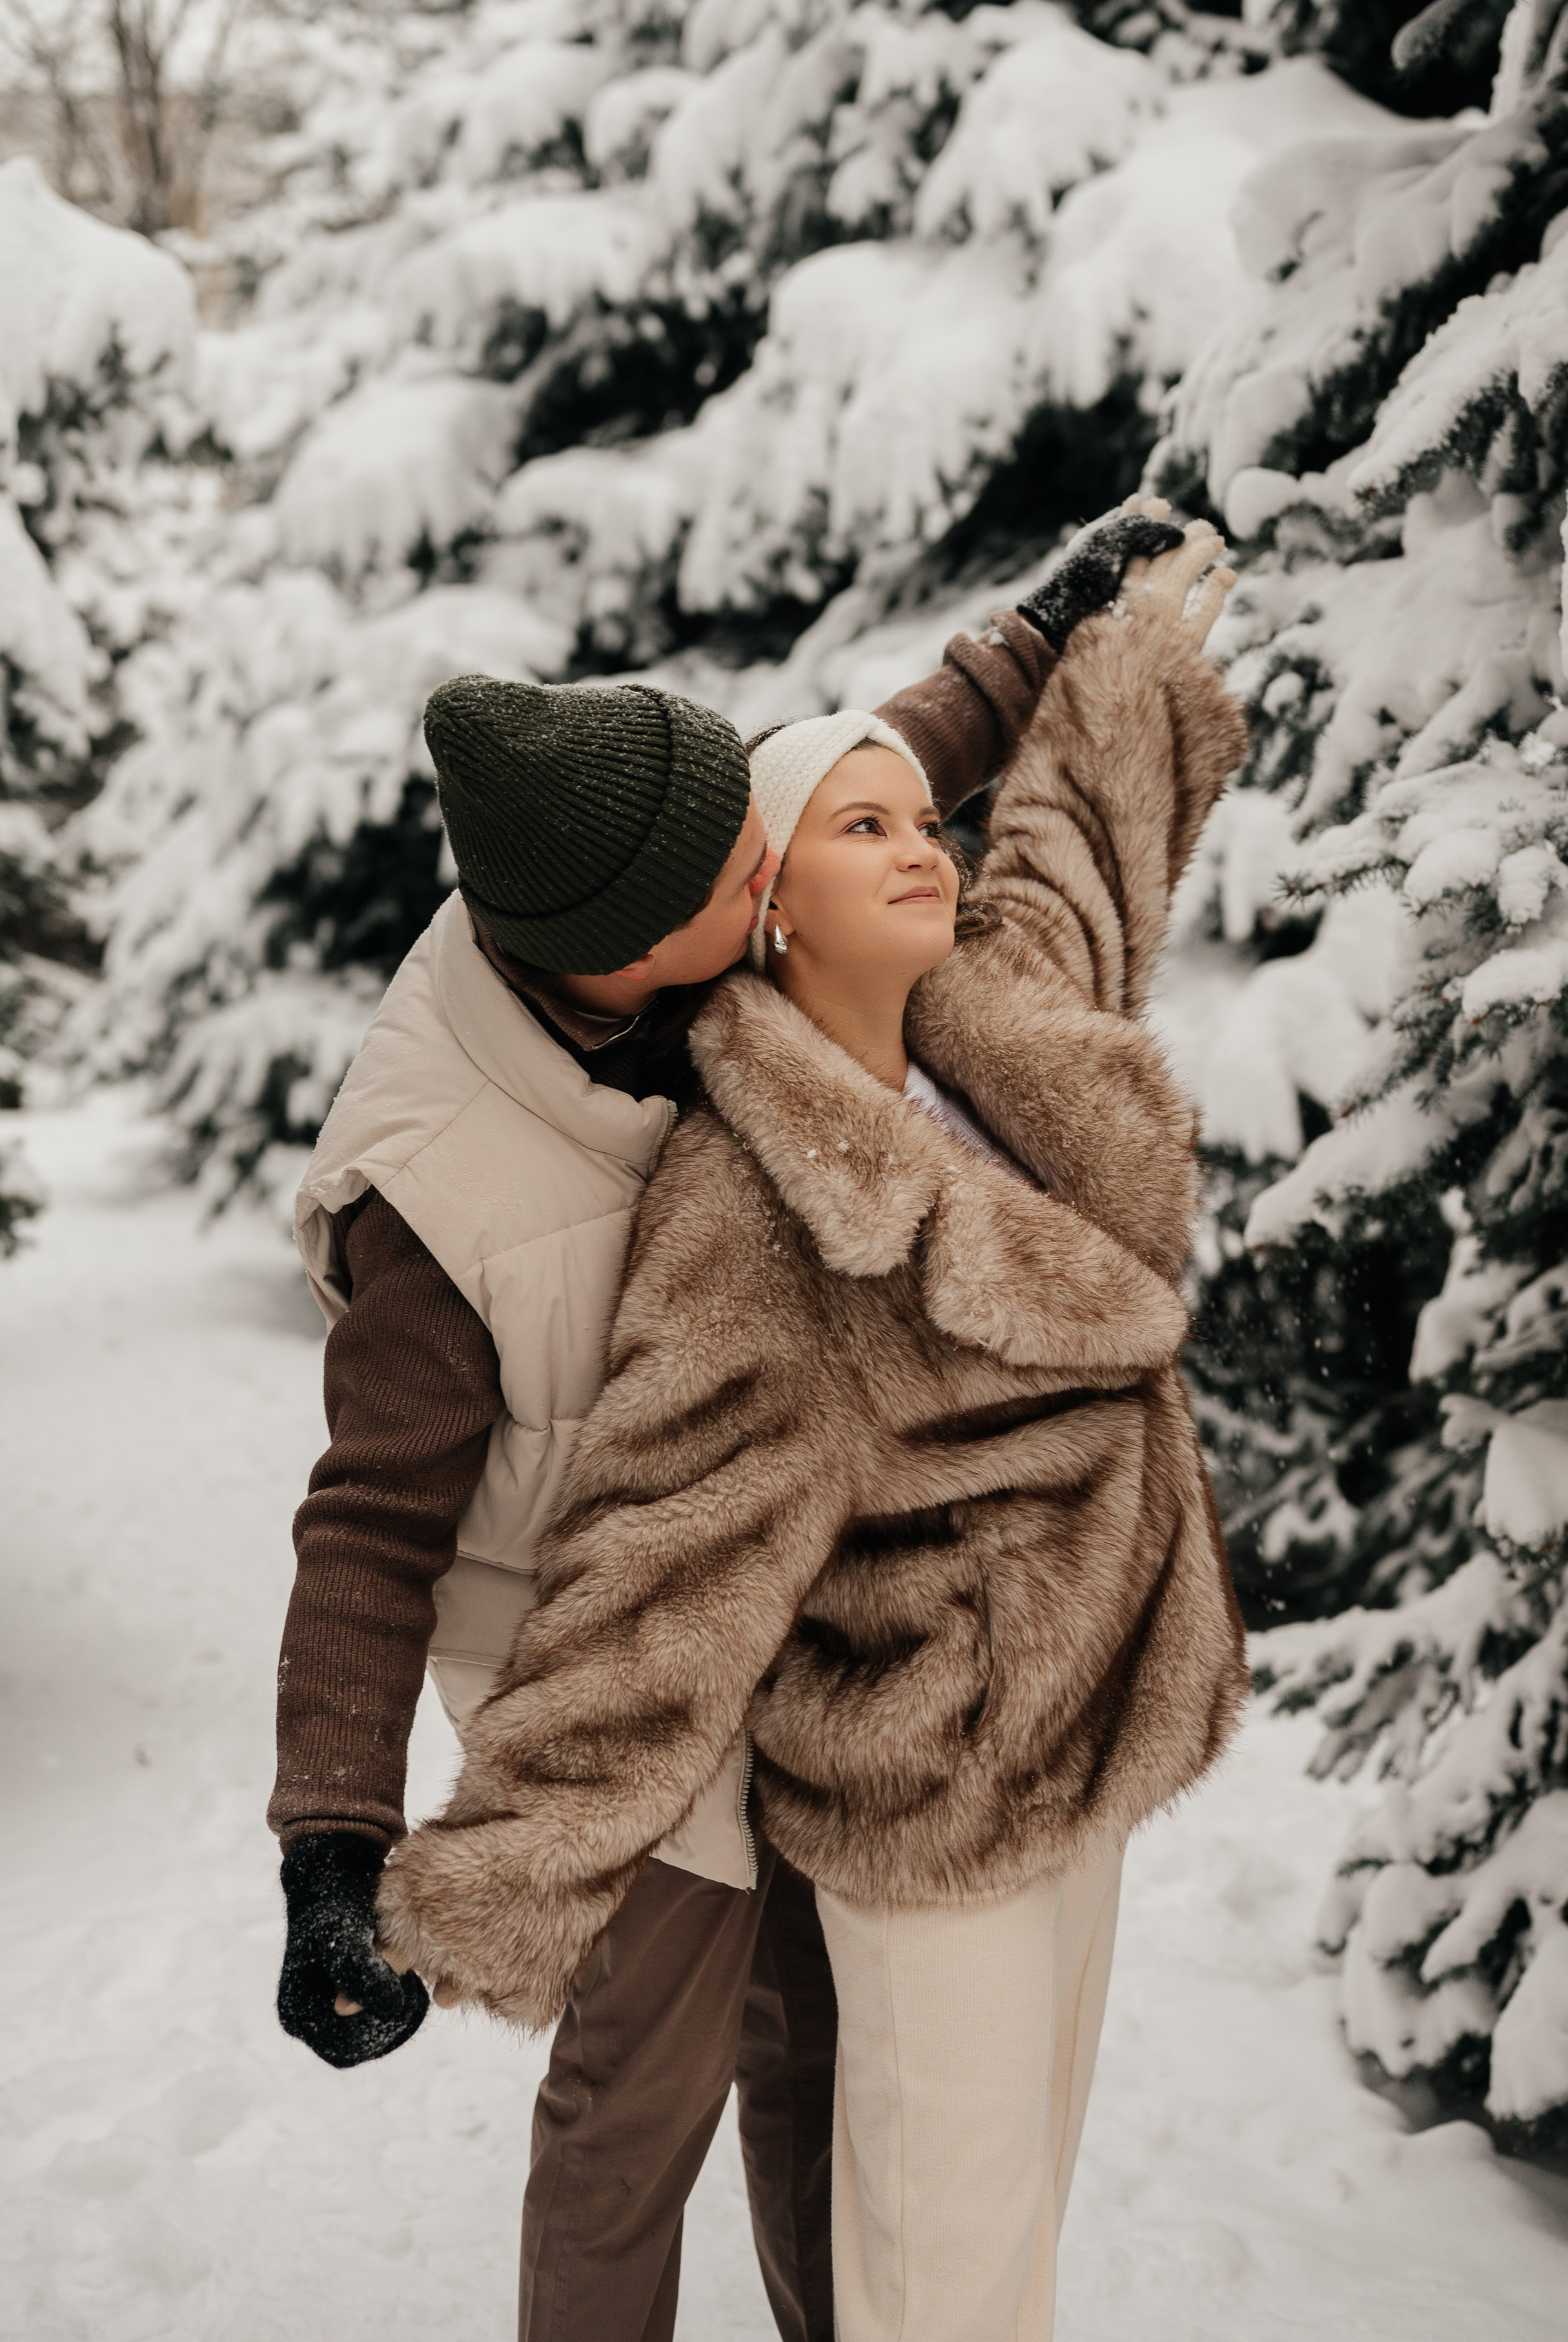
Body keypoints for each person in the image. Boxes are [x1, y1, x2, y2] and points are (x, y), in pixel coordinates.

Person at [269, 511, 1168, 2342]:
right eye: (750, 862)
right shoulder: (435, 1193)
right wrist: (332, 1843)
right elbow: (366, 1527)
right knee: (640, 2089)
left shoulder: (649, 899)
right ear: (630, 944)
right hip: (605, 1674)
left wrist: (1046, 635)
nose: (782, 864)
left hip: (786, 1609)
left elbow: (868, 768)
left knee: (822, 2046)